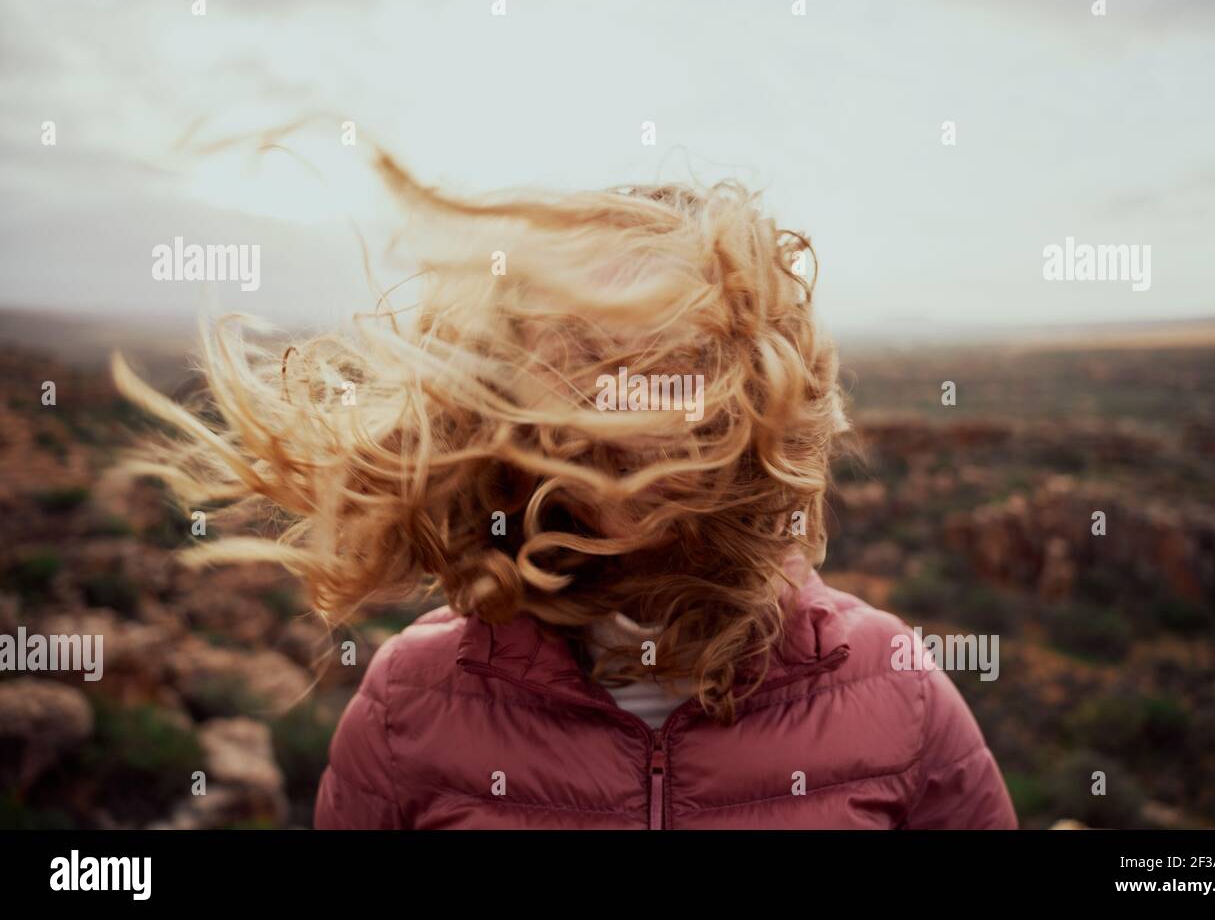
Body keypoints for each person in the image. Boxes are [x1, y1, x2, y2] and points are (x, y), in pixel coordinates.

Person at [115, 166, 1017, 829]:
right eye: (595, 366)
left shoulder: (891, 688)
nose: (639, 413)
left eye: (682, 367)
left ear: (759, 402)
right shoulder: (414, 704)